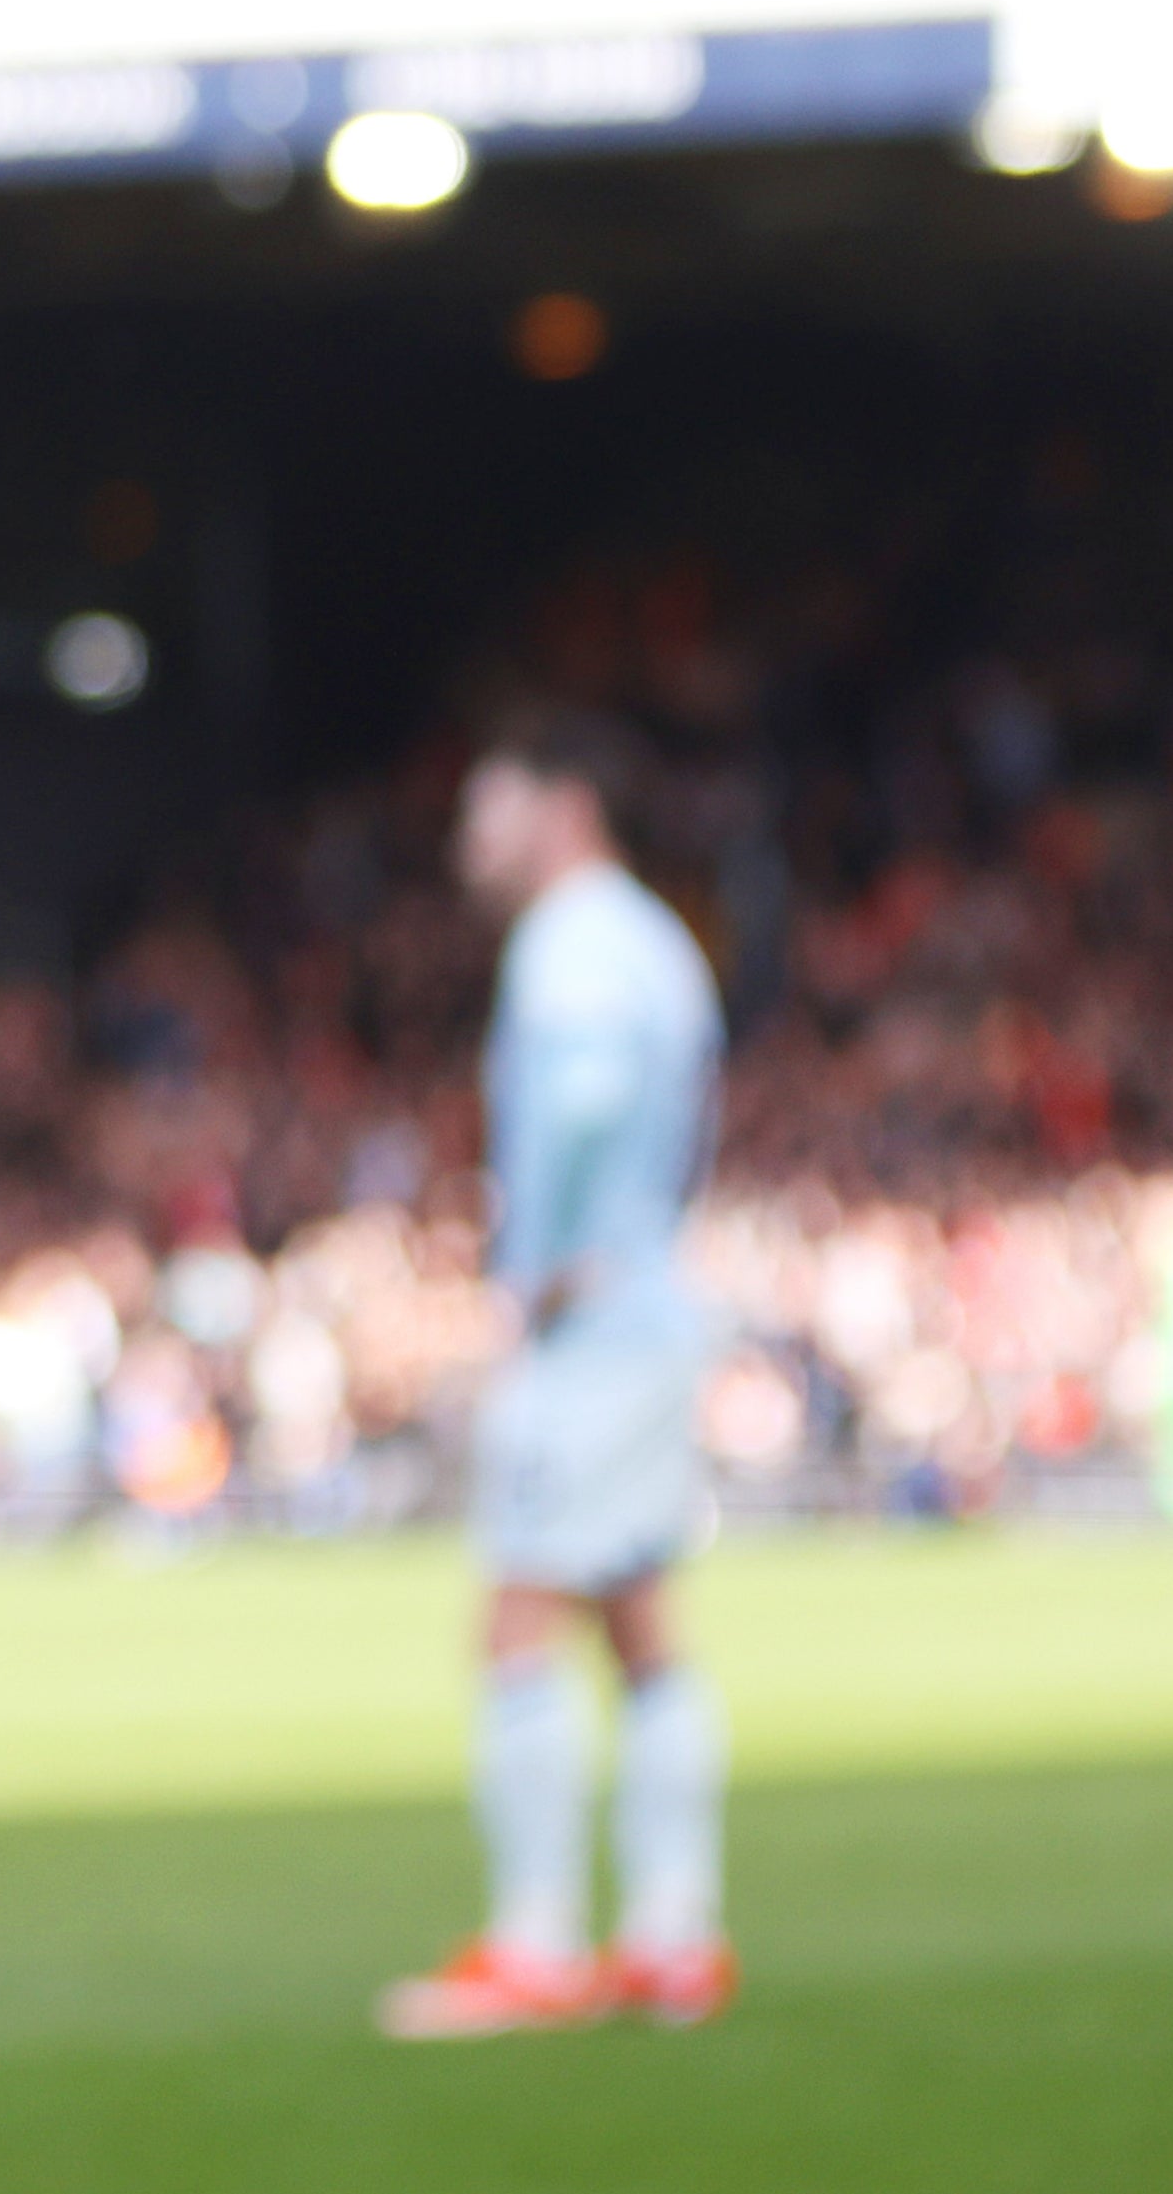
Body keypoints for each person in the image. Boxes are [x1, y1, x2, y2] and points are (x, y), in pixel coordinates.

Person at [379, 726, 734, 2037]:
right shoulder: (653, 938)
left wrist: (539, 1260)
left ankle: (534, 1943)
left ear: (560, 806)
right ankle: (672, 1936)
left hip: (591, 1319)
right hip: (650, 1300)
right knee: (638, 1614)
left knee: (518, 1614)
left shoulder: (573, 941)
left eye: (490, 808)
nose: (470, 840)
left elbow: (580, 1103)